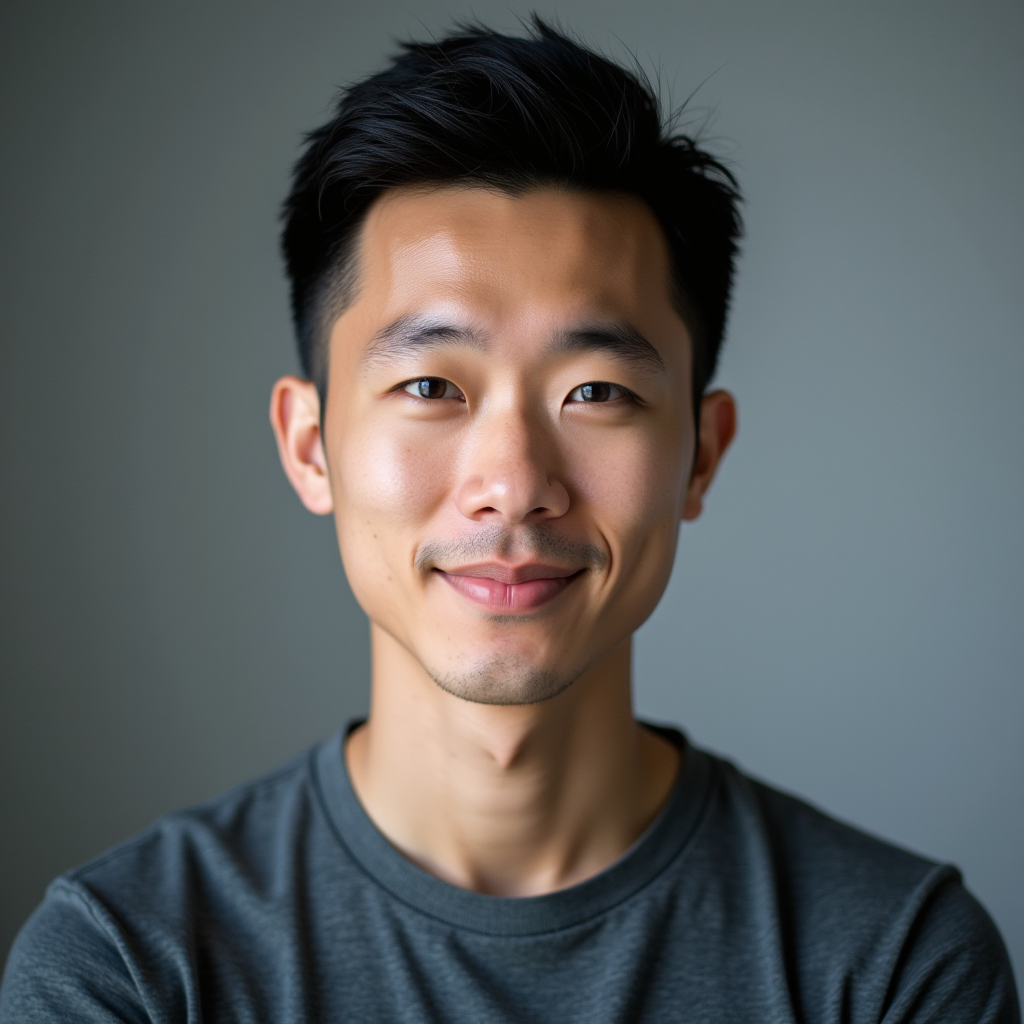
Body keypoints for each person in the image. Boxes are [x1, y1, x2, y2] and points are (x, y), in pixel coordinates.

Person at [1, 18, 1018, 1024]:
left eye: (595, 393)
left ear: (700, 454)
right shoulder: (128, 966)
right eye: (434, 382)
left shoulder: (889, 965)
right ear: (310, 445)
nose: (514, 482)